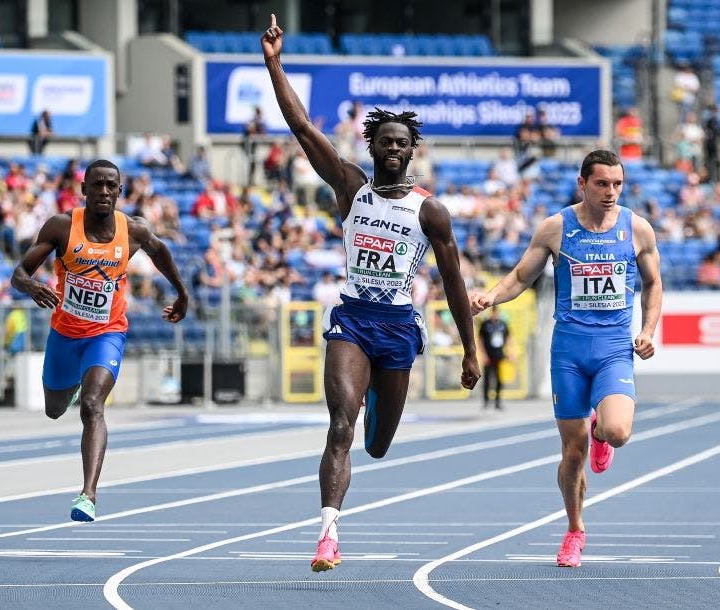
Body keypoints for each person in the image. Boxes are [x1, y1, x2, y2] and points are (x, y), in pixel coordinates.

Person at [260, 14, 480, 572]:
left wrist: (470, 349)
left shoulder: (430, 211)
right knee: (341, 424)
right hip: (354, 319)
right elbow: (305, 130)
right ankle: (328, 534)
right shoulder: (351, 186)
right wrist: (275, 66)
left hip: (400, 328)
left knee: (378, 444)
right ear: (374, 145)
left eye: (401, 144)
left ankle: (379, 395)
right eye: (384, 142)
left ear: (412, 151)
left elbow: (454, 284)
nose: (392, 150)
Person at [470, 149, 663, 568]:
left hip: (614, 348)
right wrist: (489, 297)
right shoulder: (557, 228)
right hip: (569, 352)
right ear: (582, 183)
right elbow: (522, 276)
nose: (611, 192)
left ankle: (600, 434)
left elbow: (652, 284)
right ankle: (575, 529)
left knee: (617, 431)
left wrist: (647, 331)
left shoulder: (638, 229)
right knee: (571, 453)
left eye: (617, 184)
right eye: (601, 184)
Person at [10, 159, 189, 522]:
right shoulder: (62, 227)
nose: (104, 192)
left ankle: (88, 494)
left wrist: (182, 293)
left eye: (111, 185)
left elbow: (161, 253)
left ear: (120, 191)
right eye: (97, 185)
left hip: (107, 333)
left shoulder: (133, 231)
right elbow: (18, 273)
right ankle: (73, 382)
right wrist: (30, 285)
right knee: (54, 409)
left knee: (92, 406)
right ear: (84, 189)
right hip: (64, 333)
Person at [478, 306, 509, 410]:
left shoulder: (502, 324)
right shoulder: (485, 324)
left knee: (499, 379)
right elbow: (480, 339)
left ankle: (498, 401)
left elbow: (508, 338)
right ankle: (486, 401)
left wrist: (509, 352)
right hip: (489, 355)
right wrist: (483, 354)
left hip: (499, 355)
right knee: (487, 379)